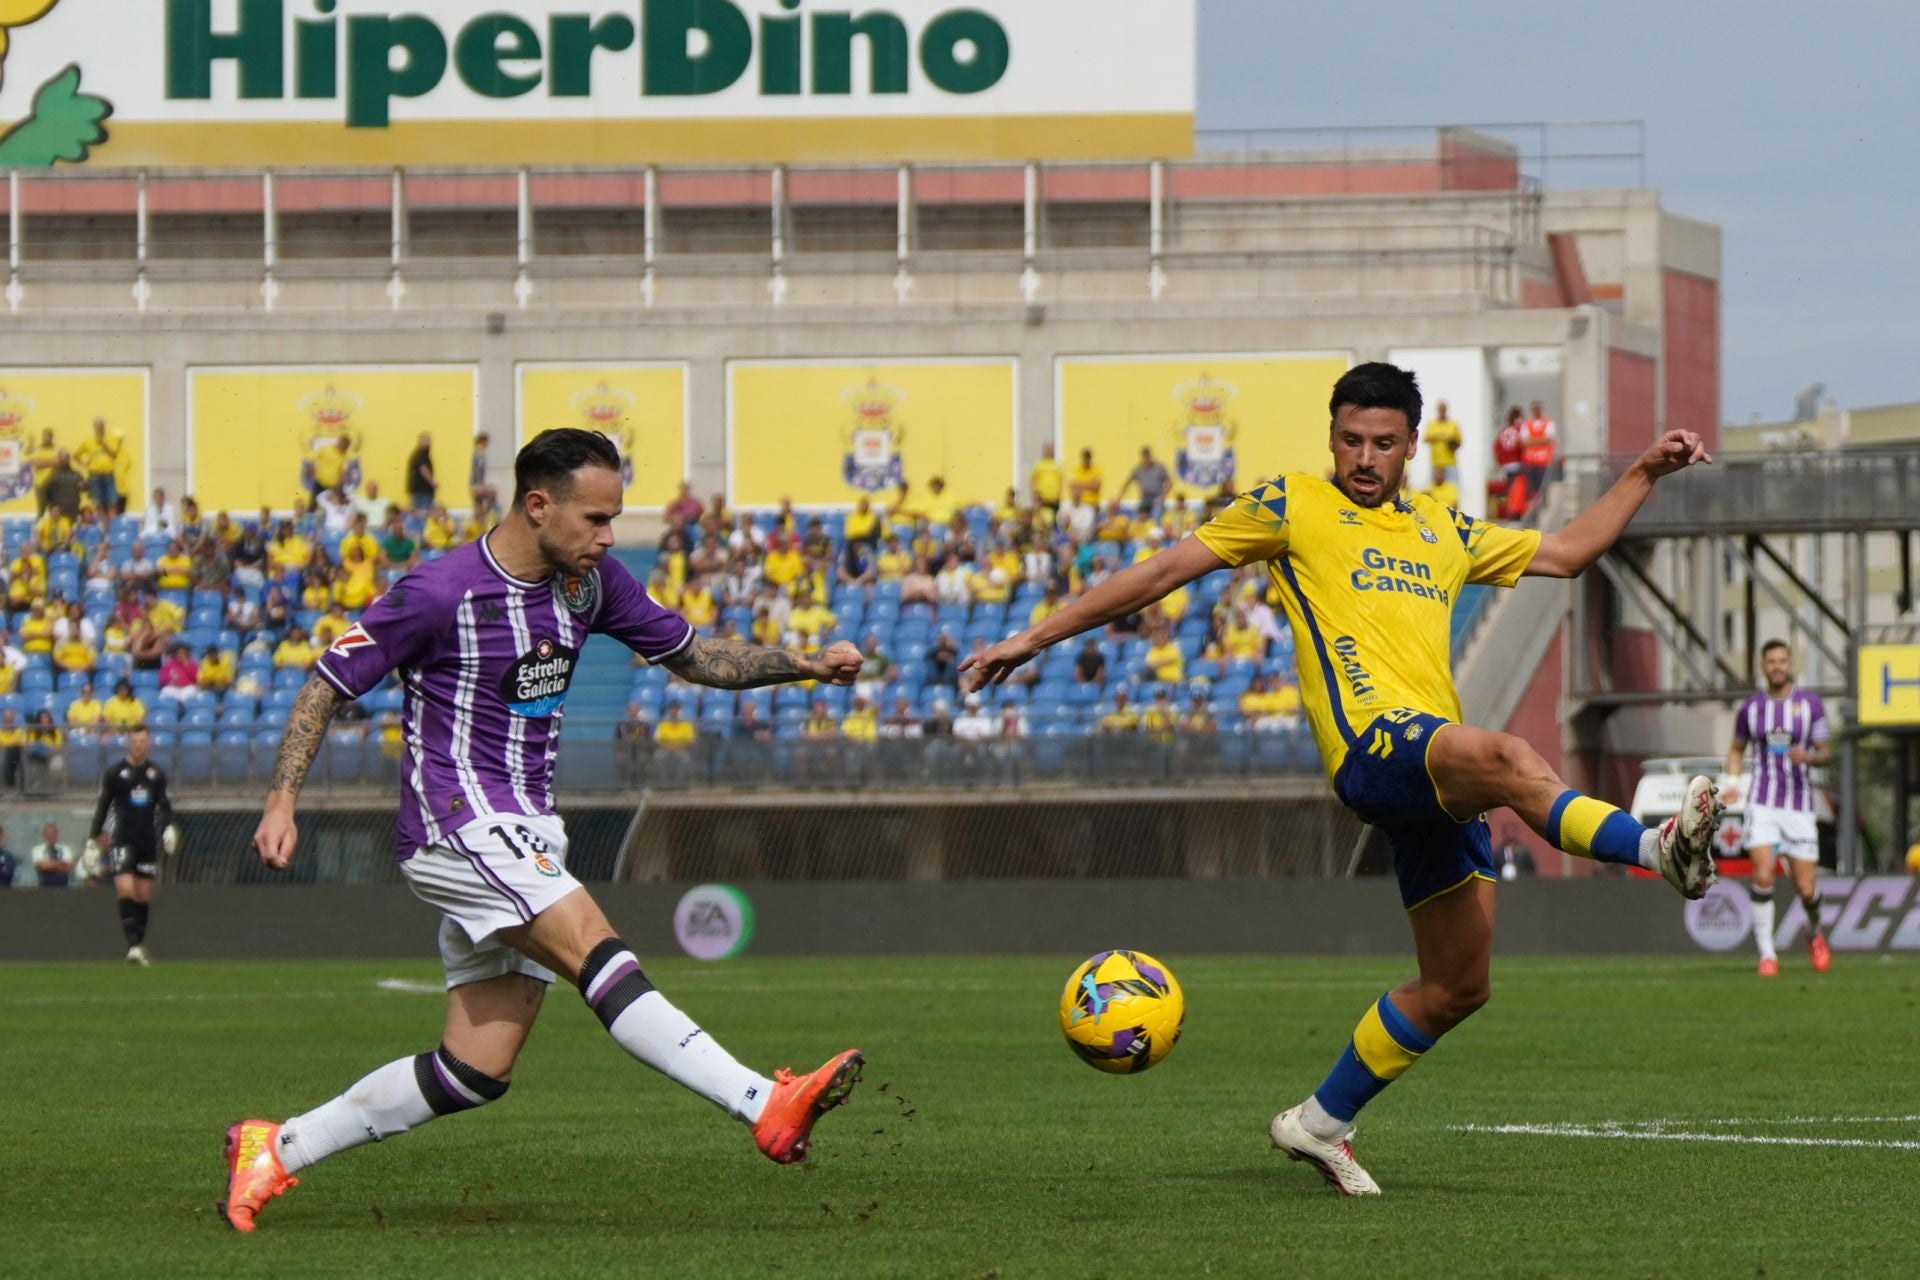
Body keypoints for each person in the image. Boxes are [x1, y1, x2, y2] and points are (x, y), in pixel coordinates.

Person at [961, 362, 1723, 1196]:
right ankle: (1659, 851)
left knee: (1457, 988)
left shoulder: (1445, 528)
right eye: (1351, 440)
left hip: (1432, 767)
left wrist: (1644, 471)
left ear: (1411, 447)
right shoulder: (1291, 506)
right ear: (1331, 438)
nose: (1365, 458)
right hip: (1375, 750)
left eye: (1383, 444)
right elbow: (1159, 573)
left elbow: (1570, 551)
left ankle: (1319, 1123)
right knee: (1508, 759)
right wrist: (1034, 638)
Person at [222, 429, 866, 1233]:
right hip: (456, 826)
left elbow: (697, 658)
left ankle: (274, 1150)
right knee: (601, 952)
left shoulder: (588, 586)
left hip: (525, 830)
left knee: (474, 1069)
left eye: (613, 520)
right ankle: (762, 1104)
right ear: (538, 505)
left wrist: (806, 664)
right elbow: (325, 683)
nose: (607, 537)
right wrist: (282, 801)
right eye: (595, 519)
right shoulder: (438, 592)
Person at [1723, 640, 1832, 977]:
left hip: (1799, 806)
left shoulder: (1810, 705)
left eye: (1782, 661)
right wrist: (1733, 783)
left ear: (1791, 664)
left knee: (1806, 888)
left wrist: (1811, 757)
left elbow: (1826, 750)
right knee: (1763, 872)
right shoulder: (1751, 709)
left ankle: (1814, 933)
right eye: (1771, 661)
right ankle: (1767, 954)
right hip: (1762, 802)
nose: (1777, 667)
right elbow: (1737, 750)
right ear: (1763, 666)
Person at [91, 725, 173, 964]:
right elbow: (103, 805)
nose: (138, 745)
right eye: (134, 740)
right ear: (128, 743)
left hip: (147, 840)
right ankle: (133, 946)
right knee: (126, 889)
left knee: (143, 895)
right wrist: (92, 836)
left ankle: (138, 943)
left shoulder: (156, 774)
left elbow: (164, 805)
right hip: (122, 840)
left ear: (148, 743)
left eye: (142, 740)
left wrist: (168, 827)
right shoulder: (116, 773)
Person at [75, 417, 123, 521]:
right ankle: (102, 531)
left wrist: (103, 443)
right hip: (94, 476)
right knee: (98, 504)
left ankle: (112, 532)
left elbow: (114, 455)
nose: (99, 428)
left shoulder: (111, 439)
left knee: (112, 503)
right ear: (94, 428)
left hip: (108, 475)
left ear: (104, 427)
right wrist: (84, 463)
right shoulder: (87, 441)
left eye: (101, 426)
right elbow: (76, 455)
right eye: (97, 426)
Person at [1123, 447, 1173, 517]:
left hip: (1157, 497)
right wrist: (1120, 498)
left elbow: (1170, 483)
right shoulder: (1138, 469)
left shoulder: (1159, 467)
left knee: (1156, 516)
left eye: (1147, 456)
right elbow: (1127, 483)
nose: (1146, 459)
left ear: (1150, 456)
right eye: (1144, 456)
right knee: (1137, 516)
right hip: (1144, 497)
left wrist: (1162, 496)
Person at [32, 821, 74, 888]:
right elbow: (42, 866)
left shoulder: (66, 849)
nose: (50, 836)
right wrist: (62, 864)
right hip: (44, 889)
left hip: (63, 888)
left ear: (57, 834)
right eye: (48, 833)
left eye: (53, 833)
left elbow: (69, 867)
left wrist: (49, 865)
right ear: (44, 835)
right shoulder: (37, 849)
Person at [405, 432, 437, 511]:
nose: (429, 443)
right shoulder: (421, 454)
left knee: (418, 513)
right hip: (422, 492)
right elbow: (423, 470)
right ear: (420, 442)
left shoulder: (418, 454)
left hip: (419, 492)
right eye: (427, 441)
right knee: (423, 514)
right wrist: (432, 482)